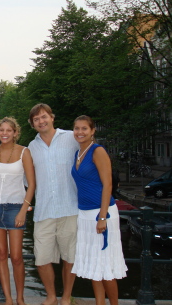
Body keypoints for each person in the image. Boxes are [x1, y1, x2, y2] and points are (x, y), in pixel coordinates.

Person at [71, 115, 127, 305]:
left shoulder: (98, 151)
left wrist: (102, 217)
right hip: (85, 214)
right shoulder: (78, 153)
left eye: (84, 128)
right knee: (94, 265)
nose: (80, 132)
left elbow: (108, 184)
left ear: (92, 131)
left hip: (101, 213)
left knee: (106, 266)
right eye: (77, 128)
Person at [27, 103, 79, 305]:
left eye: (43, 117)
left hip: (70, 207)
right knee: (41, 259)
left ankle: (66, 297)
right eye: (36, 119)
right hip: (44, 209)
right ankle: (51, 296)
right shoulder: (32, 147)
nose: (41, 121)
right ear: (33, 124)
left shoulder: (71, 138)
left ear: (52, 117)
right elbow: (28, 180)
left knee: (70, 257)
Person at [0, 117, 35, 305]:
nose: (5, 133)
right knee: (1, 254)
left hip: (15, 207)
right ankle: (9, 298)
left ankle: (21, 298)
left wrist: (23, 209)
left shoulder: (24, 153)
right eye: (2, 130)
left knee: (17, 256)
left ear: (15, 133)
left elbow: (31, 184)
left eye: (8, 130)